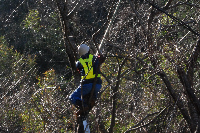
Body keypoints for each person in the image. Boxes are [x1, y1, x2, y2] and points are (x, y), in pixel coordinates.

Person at [69, 44, 104, 117]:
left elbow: (77, 70)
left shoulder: (79, 63)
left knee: (72, 97)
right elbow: (101, 60)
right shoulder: (95, 58)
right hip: (97, 85)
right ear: (88, 50)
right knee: (91, 95)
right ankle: (92, 99)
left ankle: (83, 106)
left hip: (86, 85)